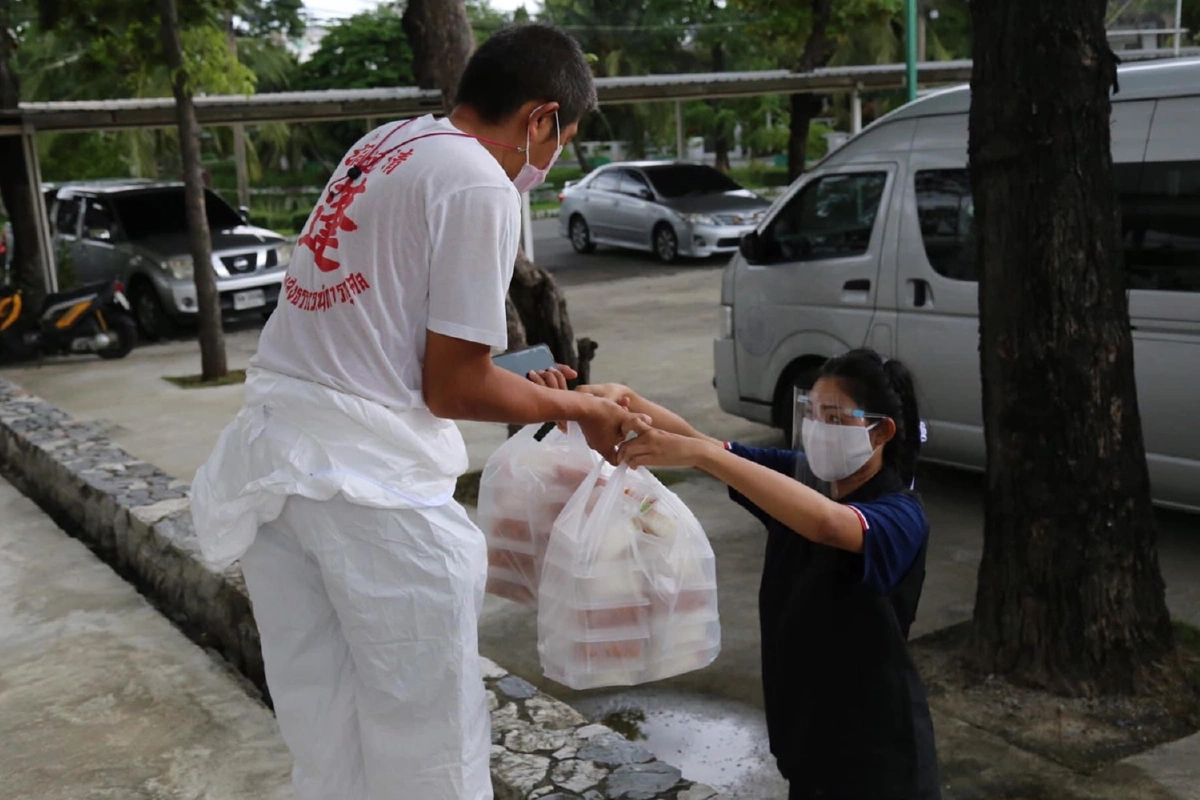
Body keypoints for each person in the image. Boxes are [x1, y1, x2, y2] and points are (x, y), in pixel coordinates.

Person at [190, 23, 642, 800]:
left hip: (278, 469)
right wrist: (571, 406)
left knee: (324, 729)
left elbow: (393, 338)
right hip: (370, 494)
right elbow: (453, 390)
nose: (553, 157)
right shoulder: (478, 183)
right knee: (429, 744)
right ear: (540, 119)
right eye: (563, 137)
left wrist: (528, 384)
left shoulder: (388, 143)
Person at [570, 349, 941, 800]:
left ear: (880, 431)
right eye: (812, 413)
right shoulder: (803, 481)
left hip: (878, 757)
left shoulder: (899, 514)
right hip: (810, 740)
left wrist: (700, 456)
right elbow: (701, 442)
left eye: (835, 417)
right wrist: (624, 401)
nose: (818, 429)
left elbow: (828, 524)